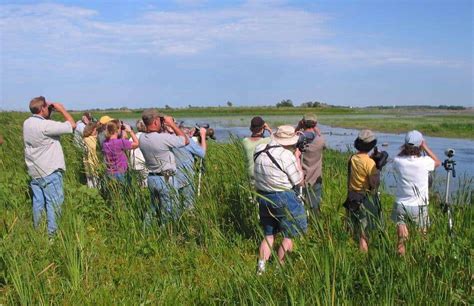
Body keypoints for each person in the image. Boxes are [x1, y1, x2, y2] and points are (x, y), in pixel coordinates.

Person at [253, 125, 307, 274]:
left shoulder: (259, 150)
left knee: (269, 235)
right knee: (289, 235)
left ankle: (261, 268)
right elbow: (299, 182)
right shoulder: (286, 156)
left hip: (264, 197)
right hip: (284, 197)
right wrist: (296, 158)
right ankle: (279, 267)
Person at [23, 96, 76, 236]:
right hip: (49, 171)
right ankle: (52, 235)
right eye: (47, 107)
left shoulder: (27, 123)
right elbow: (72, 125)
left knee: (38, 202)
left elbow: (44, 124)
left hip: (35, 171)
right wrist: (61, 109)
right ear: (42, 109)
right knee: (54, 203)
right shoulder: (46, 126)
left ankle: (38, 230)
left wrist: (49, 111)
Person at [391, 130, 440, 256]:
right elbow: (438, 162)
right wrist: (425, 147)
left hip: (401, 205)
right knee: (422, 237)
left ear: (405, 145)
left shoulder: (398, 161)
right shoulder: (425, 162)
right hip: (419, 206)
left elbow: (397, 158)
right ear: (420, 145)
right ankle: (420, 260)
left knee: (401, 240)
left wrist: (405, 149)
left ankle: (400, 263)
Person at [139, 109, 189, 224]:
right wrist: (172, 124)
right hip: (166, 179)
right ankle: (168, 234)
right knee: (170, 211)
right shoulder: (162, 138)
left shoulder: (142, 137)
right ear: (156, 121)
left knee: (153, 209)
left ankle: (146, 233)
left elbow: (155, 134)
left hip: (151, 178)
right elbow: (185, 140)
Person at [344, 130, 381, 253]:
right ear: (371, 145)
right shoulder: (370, 162)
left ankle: (347, 248)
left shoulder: (352, 158)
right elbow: (374, 184)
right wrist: (378, 168)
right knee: (364, 231)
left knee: (351, 225)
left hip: (352, 195)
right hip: (365, 197)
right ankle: (362, 254)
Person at [296, 114, 326, 216]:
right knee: (314, 204)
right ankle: (315, 223)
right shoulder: (320, 140)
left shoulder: (297, 140)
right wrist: (318, 132)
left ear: (302, 123)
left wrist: (298, 128)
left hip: (300, 178)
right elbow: (323, 143)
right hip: (315, 177)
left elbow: (288, 140)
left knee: (299, 205)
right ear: (315, 124)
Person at [173, 126, 207, 209]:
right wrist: (202, 136)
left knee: (175, 203)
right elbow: (202, 153)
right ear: (190, 133)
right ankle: (189, 218)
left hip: (172, 177)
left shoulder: (172, 140)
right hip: (186, 177)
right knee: (188, 205)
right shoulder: (187, 141)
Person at [242, 116, 272, 182]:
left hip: (249, 175)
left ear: (251, 128)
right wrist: (269, 129)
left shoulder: (245, 141)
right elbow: (276, 139)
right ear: (263, 128)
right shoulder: (267, 140)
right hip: (262, 176)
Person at [129, 119, 148, 187]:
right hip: (144, 163)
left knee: (138, 184)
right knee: (145, 183)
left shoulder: (132, 137)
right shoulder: (147, 137)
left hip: (134, 164)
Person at [82, 122, 100, 188]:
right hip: (93, 164)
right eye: (95, 130)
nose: (96, 131)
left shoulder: (85, 139)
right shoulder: (90, 139)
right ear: (91, 130)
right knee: (96, 183)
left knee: (90, 182)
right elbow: (95, 147)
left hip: (87, 164)